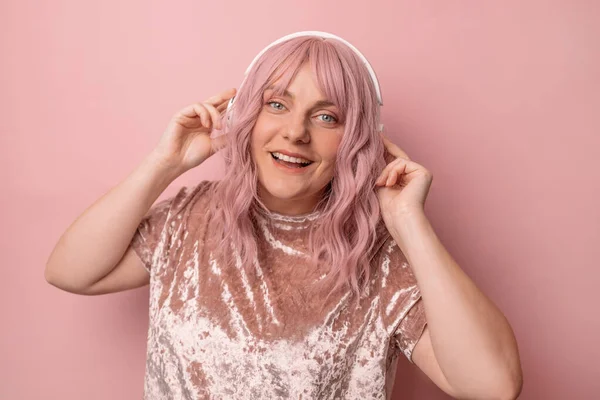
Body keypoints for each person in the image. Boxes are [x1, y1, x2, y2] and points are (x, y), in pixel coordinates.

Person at [45, 32, 523, 399]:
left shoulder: (380, 258)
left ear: (356, 140)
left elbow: (494, 385)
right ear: (245, 118)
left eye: (326, 117)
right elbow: (69, 272)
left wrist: (409, 226)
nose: (295, 132)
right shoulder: (190, 216)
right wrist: (163, 165)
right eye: (277, 105)